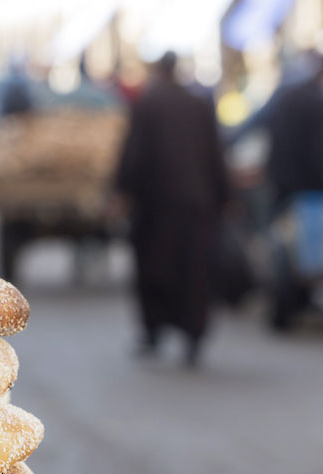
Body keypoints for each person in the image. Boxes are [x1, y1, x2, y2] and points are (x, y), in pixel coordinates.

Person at [114, 52, 228, 365]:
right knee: (194, 272)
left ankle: (154, 331)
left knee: (155, 268)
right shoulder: (199, 105)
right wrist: (224, 197)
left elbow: (133, 154)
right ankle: (193, 336)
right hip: (197, 206)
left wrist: (123, 192)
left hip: (156, 207)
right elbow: (216, 157)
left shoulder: (148, 104)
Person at [265, 53, 323, 207]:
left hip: (282, 176)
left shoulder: (288, 94)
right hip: (307, 184)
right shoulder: (319, 101)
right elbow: (319, 152)